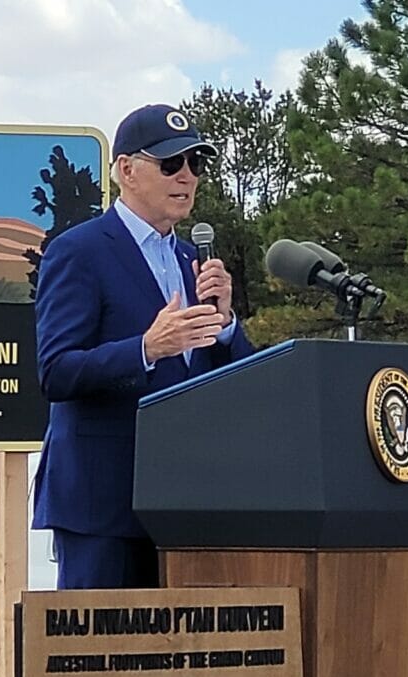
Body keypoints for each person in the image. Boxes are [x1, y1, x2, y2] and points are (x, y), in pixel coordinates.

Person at [32, 103, 255, 590]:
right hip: (103, 505)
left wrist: (224, 325)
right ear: (126, 170)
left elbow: (239, 382)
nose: (187, 177)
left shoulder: (193, 257)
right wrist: (146, 349)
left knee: (181, 663)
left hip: (185, 503)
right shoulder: (80, 250)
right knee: (99, 663)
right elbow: (56, 371)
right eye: (171, 163)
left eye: (196, 164)